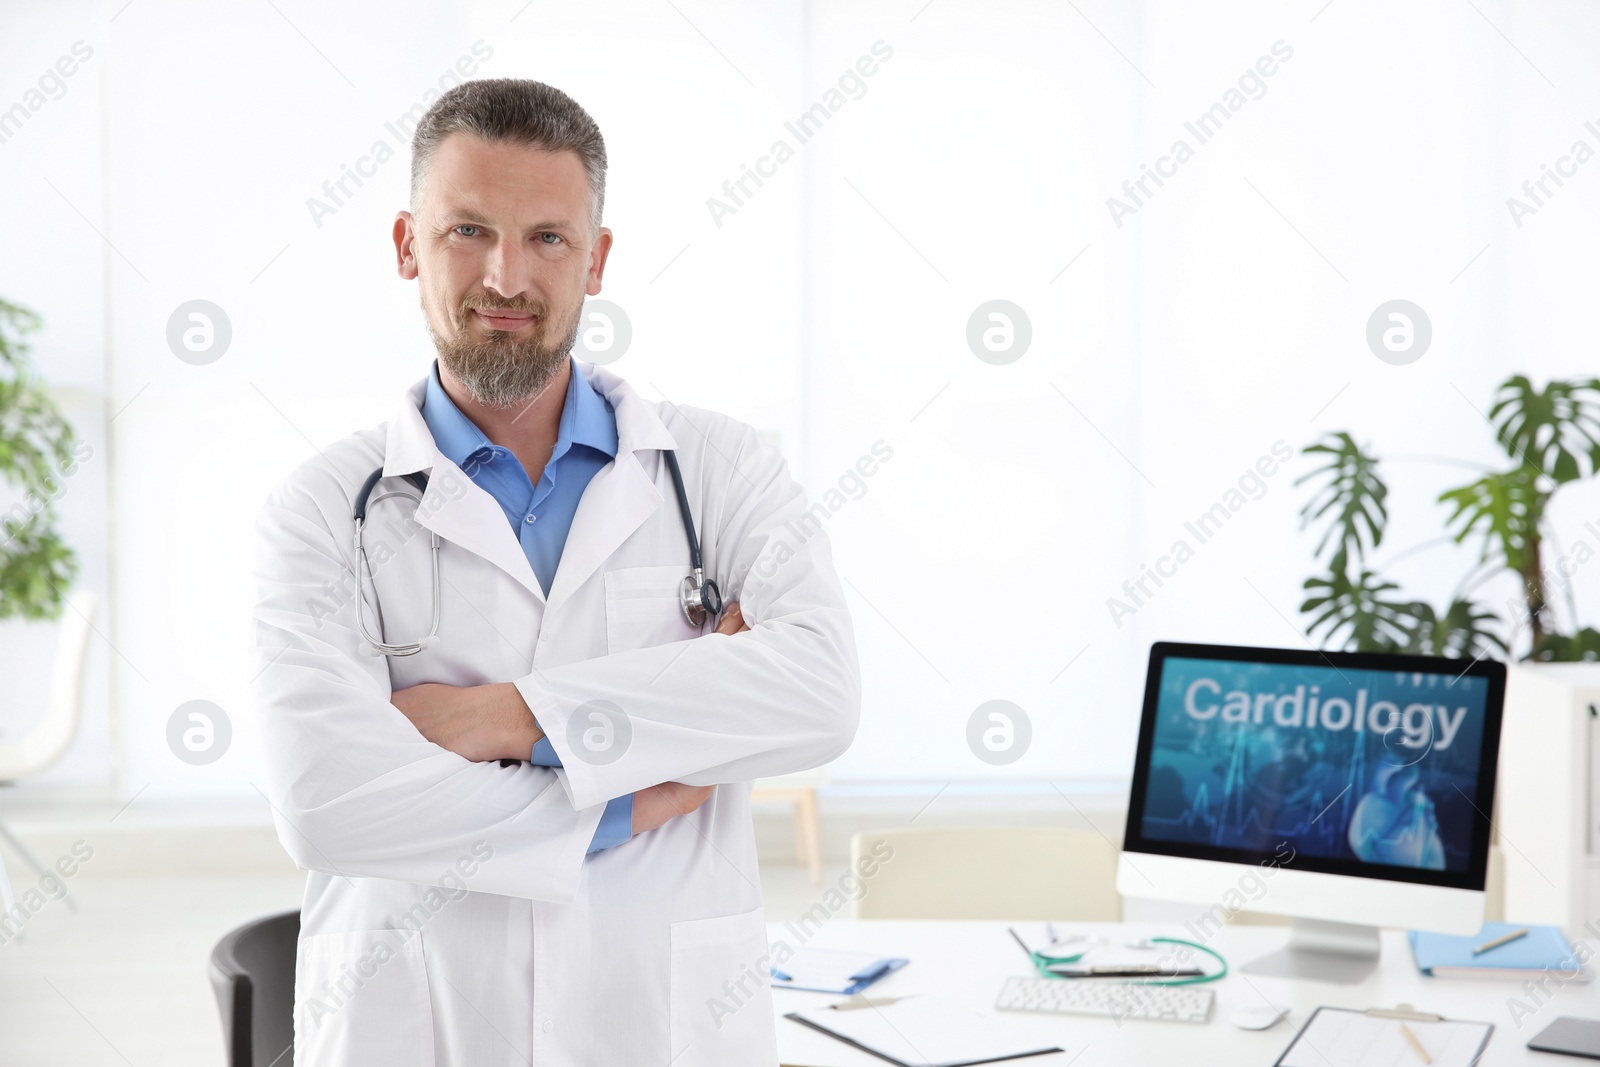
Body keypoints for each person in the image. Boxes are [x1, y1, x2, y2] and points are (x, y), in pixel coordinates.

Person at [250, 77, 861, 1066]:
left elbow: (819, 695)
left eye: (546, 237)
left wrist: (505, 714)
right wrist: (620, 796)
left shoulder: (722, 470)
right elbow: (326, 801)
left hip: (659, 1026)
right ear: (406, 244)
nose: (506, 276)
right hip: (418, 1023)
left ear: (597, 258)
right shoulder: (324, 507)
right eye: (466, 231)